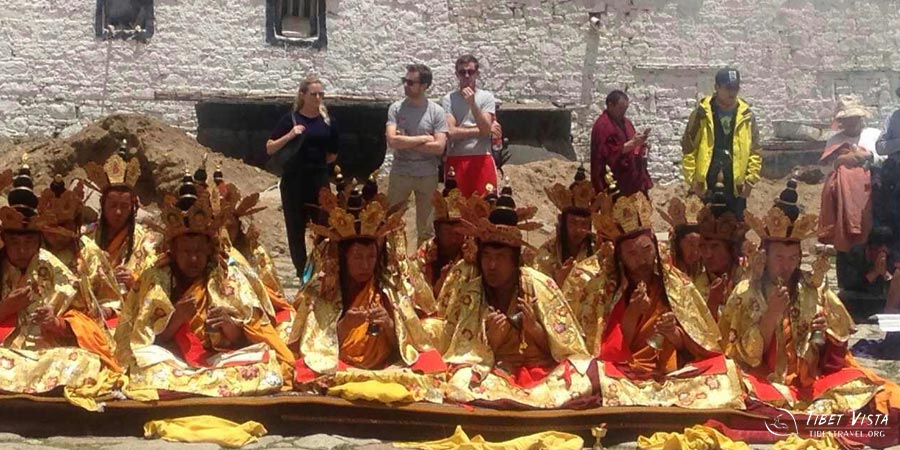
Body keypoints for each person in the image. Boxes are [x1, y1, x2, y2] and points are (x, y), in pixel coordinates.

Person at [721, 180, 900, 418]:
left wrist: (826, 335)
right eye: (779, 258)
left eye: (793, 258)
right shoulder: (746, 291)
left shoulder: (813, 287)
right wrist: (771, 315)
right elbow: (742, 356)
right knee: (732, 389)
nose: (786, 266)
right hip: (761, 379)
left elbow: (837, 351)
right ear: (764, 257)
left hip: (809, 380)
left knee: (872, 389)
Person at [114, 175, 293, 399]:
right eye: (186, 252)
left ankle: (186, 389)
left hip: (218, 358)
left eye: (199, 251)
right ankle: (197, 388)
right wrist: (175, 319)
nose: (193, 259)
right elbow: (140, 339)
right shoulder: (156, 275)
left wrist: (233, 329)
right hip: (172, 357)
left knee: (263, 365)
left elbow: (254, 329)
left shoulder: (227, 274)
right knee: (146, 366)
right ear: (173, 251)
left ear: (209, 250)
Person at [563, 192, 743, 409]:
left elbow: (697, 346)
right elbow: (605, 352)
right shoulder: (605, 289)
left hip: (672, 374)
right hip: (623, 371)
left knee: (724, 370)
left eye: (646, 250)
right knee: (590, 376)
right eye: (631, 254)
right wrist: (632, 312)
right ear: (620, 258)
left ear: (656, 247)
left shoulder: (677, 284)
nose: (640, 260)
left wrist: (673, 334)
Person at [440, 186, 599, 409]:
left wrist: (535, 330)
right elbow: (458, 352)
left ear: (515, 260)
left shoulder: (541, 285)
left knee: (582, 374)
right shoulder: (472, 291)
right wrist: (491, 342)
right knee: (460, 380)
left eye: (500, 258)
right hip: (494, 369)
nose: (492, 265)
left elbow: (569, 348)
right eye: (486, 257)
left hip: (540, 367)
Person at [288, 184, 445, 401]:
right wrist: (344, 326)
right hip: (339, 363)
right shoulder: (325, 289)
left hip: (383, 366)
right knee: (310, 375)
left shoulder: (389, 288)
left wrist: (389, 326)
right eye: (358, 258)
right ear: (344, 259)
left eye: (371, 257)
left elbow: (406, 346)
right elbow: (316, 346)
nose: (365, 265)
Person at [0, 164, 120, 411]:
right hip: (7, 351)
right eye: (14, 243)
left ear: (38, 239)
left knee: (84, 362)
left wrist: (59, 324)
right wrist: (5, 308)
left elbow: (90, 321)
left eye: (29, 243)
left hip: (48, 354)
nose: (22, 251)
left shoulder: (56, 270)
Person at [265, 75, 339, 278]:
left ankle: (320, 270)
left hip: (319, 180)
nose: (318, 98)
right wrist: (290, 134)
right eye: (313, 94)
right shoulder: (290, 119)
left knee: (323, 227)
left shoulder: (328, 122)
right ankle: (301, 273)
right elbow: (270, 147)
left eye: (321, 94)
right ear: (303, 95)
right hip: (293, 181)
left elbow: (333, 154)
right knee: (296, 229)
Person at [38, 174, 122, 331]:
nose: (57, 233)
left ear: (75, 225)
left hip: (81, 330)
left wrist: (105, 310)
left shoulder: (90, 252)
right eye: (51, 227)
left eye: (63, 226)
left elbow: (111, 299)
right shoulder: (31, 251)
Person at [818, 95, 881, 290]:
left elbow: (885, 159)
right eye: (848, 119)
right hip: (844, 205)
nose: (852, 122)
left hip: (872, 199)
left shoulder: (874, 135)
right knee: (848, 248)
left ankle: (873, 290)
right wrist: (842, 161)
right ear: (842, 121)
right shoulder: (834, 140)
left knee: (873, 243)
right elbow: (825, 169)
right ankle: (849, 290)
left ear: (861, 118)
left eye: (855, 118)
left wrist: (867, 157)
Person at [681, 68, 762, 217]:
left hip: (736, 186)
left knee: (734, 231)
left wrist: (750, 180)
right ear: (717, 87)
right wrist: (693, 180)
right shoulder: (701, 114)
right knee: (708, 230)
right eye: (728, 88)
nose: (732, 93)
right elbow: (688, 148)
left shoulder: (747, 116)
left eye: (735, 88)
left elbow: (755, 151)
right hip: (707, 185)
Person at [83, 143, 159, 298]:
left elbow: (156, 284)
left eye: (124, 206)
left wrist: (134, 281)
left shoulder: (146, 241)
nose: (118, 212)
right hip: (94, 308)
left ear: (133, 208)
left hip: (128, 309)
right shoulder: (87, 237)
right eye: (112, 205)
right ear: (102, 205)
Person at [386, 64, 449, 245]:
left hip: (427, 174)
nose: (406, 85)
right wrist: (423, 138)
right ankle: (394, 265)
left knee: (427, 228)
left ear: (424, 85)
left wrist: (406, 141)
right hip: (401, 173)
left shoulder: (436, 111)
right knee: (392, 224)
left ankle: (423, 267)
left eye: (411, 82)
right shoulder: (396, 109)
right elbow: (392, 141)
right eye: (404, 81)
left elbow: (439, 147)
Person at [442, 54, 501, 197]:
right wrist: (480, 130)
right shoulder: (449, 99)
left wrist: (472, 104)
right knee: (455, 211)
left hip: (482, 157)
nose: (467, 76)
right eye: (462, 72)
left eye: (471, 72)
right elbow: (450, 132)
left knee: (486, 208)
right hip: (456, 158)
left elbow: (486, 129)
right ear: (457, 75)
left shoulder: (486, 97)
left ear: (477, 74)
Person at [532, 164, 597, 286]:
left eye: (584, 224)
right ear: (563, 222)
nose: (578, 230)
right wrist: (558, 281)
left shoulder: (597, 250)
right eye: (573, 223)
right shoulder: (547, 253)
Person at [693, 181, 748, 321]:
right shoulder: (696, 288)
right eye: (703, 247)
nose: (707, 254)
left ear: (731, 249)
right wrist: (712, 303)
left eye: (715, 247)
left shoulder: (748, 279)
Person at [413, 168, 470, 301]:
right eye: (447, 232)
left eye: (458, 231)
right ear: (437, 230)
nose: (453, 237)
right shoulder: (425, 252)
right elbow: (418, 295)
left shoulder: (471, 252)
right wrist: (441, 282)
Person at [590, 90, 652, 195]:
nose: (623, 112)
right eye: (620, 108)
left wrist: (640, 145)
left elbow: (631, 144)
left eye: (625, 109)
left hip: (630, 177)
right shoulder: (603, 125)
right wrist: (631, 144)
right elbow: (606, 154)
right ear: (610, 105)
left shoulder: (626, 123)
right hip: (613, 179)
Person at [836, 226, 896, 320]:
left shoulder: (891, 256)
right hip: (859, 296)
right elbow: (848, 284)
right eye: (878, 251)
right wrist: (874, 273)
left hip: (881, 298)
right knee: (844, 296)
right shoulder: (853, 254)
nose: (881, 255)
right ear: (869, 247)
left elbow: (895, 287)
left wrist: (885, 274)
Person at [657, 194, 704, 279]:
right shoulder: (665, 274)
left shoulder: (709, 275)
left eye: (700, 245)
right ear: (678, 244)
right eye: (691, 244)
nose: (695, 252)